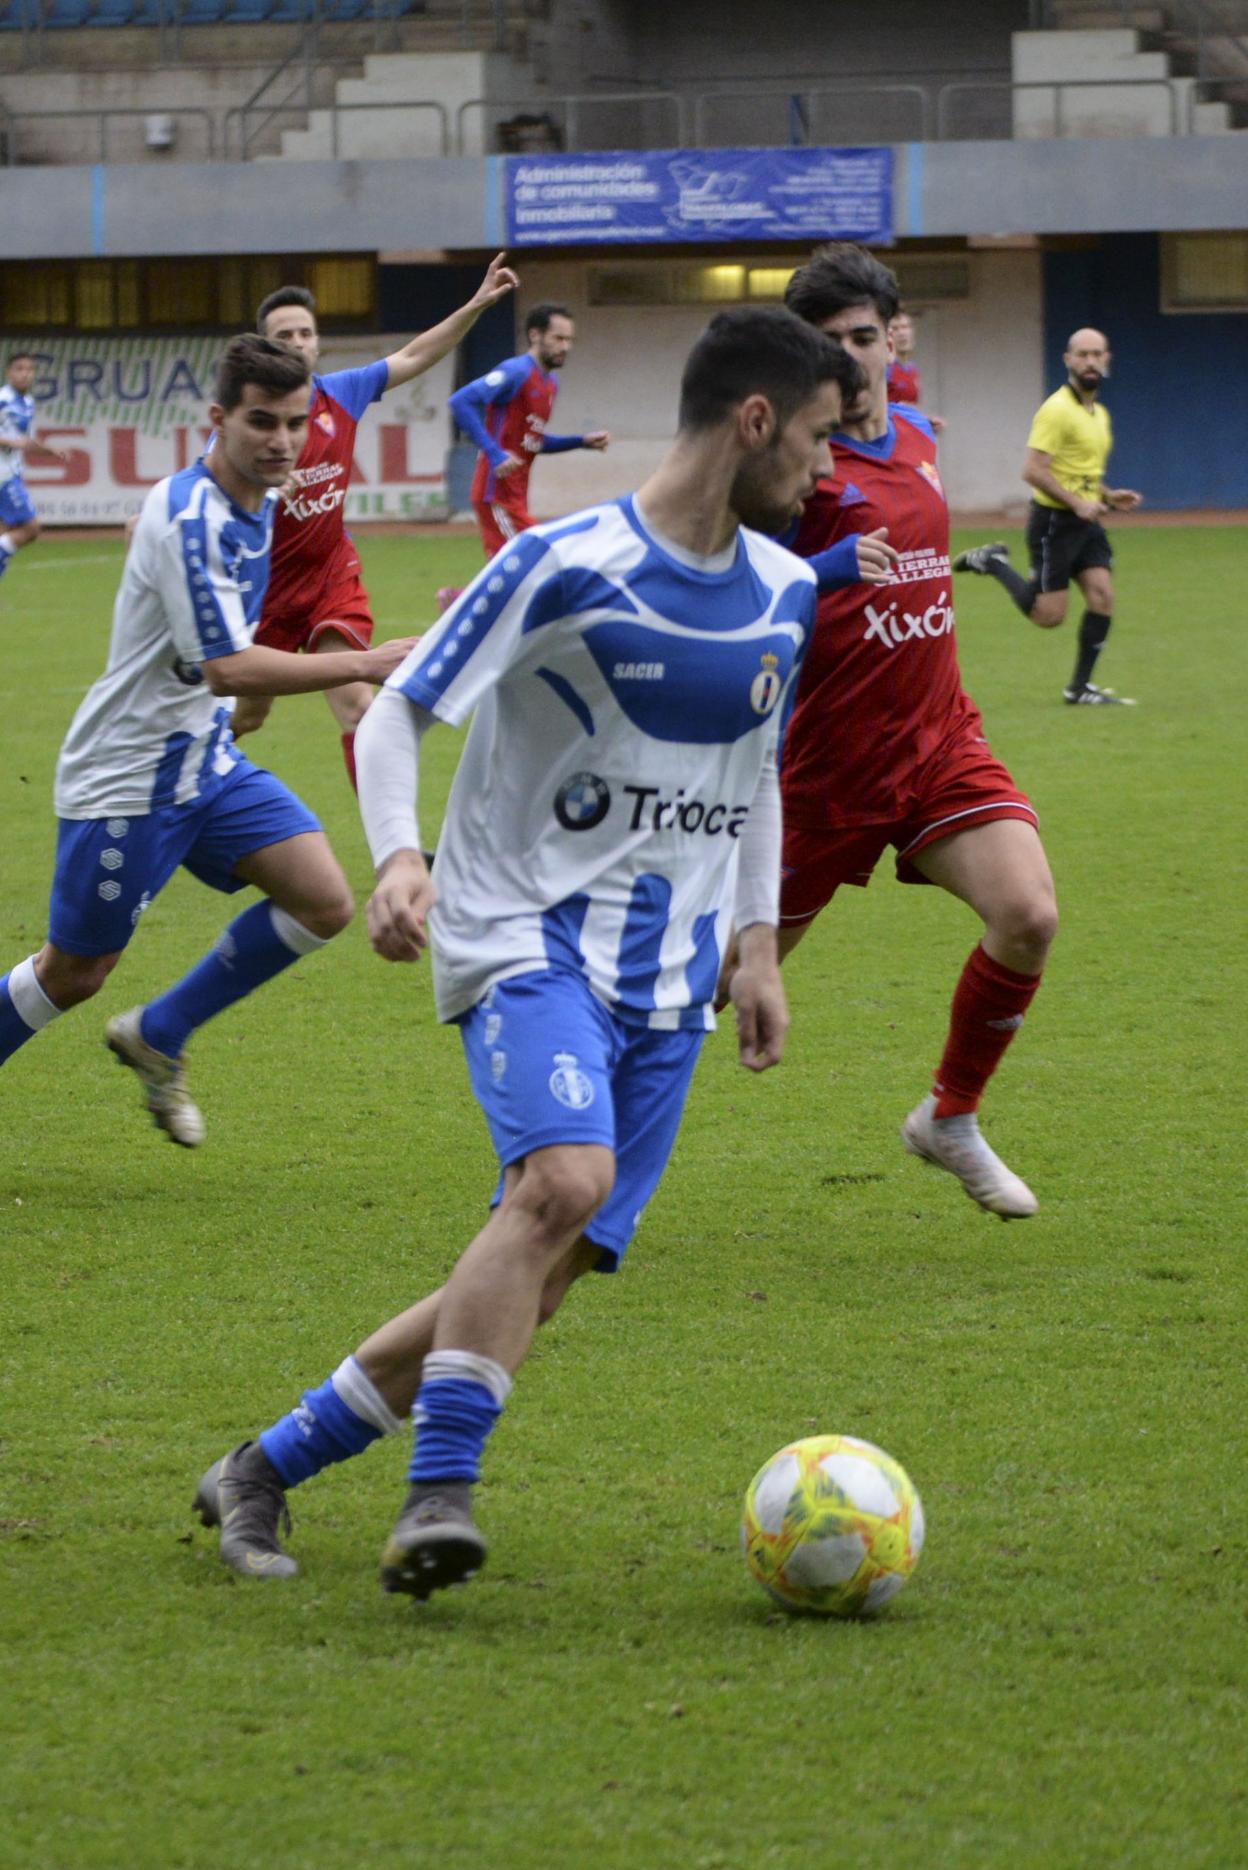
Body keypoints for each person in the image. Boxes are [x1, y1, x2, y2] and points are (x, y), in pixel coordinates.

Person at [191, 306, 860, 1596]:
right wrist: (397, 855)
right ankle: (440, 1493)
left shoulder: (784, 590)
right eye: (822, 441)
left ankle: (262, 1467)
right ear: (757, 422)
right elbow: (396, 713)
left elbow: (758, 773)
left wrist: (761, 941)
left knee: (539, 1271)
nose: (830, 474)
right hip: (521, 935)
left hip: (672, 985)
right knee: (559, 1179)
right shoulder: (564, 562)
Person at [0, 336, 414, 1146]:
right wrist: (368, 660)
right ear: (218, 419)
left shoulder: (250, 492)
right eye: (262, 422)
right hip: (127, 778)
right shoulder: (196, 518)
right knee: (73, 972)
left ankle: (159, 1034)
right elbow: (227, 668)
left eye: (295, 423)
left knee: (324, 901)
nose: (283, 441)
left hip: (203, 761)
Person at [779, 242, 1058, 1219]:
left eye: (864, 336)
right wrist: (822, 569)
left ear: (890, 338)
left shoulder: (915, 432)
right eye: (829, 343)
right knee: (709, 1000)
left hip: (938, 742)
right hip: (821, 772)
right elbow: (723, 590)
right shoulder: (784, 469)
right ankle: (554, 1163)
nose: (850, 358)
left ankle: (949, 1115)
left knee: (1028, 914)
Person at [229, 254, 519, 787]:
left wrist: (476, 305)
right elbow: (211, 496)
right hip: (265, 593)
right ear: (266, 347)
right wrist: (259, 491)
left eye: (305, 332)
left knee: (360, 709)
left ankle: (394, 858)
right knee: (248, 715)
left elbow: (414, 354)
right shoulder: (244, 428)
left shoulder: (342, 392)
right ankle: (179, 766)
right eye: (283, 334)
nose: (297, 341)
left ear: (317, 342)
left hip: (328, 578)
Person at [952, 327, 1142, 706]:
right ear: (1068, 360)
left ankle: (1079, 689)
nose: (1090, 361)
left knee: (1102, 595)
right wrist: (1076, 502)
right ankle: (992, 562)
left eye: (1097, 354)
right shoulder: (1056, 410)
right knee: (1048, 615)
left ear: (1107, 360)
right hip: (1055, 522)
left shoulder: (1098, 414)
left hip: (1085, 520)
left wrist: (1106, 494)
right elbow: (1034, 471)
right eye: (1082, 354)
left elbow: (1079, 469)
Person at [440, 302, 610, 603]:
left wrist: (581, 441)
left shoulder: (550, 384)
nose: (566, 347)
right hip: (497, 495)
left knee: (514, 575)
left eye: (570, 340)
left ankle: (458, 601)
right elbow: (461, 401)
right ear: (535, 335)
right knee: (538, 562)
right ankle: (463, 606)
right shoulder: (515, 372)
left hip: (514, 496)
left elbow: (533, 442)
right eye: (558, 338)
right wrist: (495, 454)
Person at [0, 351, 71, 584]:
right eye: (19, 369)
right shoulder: (3, 399)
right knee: (31, 528)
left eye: (29, 369)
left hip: (12, 472)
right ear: (9, 373)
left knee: (6, 530)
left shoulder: (28, 403)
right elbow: (15, 440)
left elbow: (26, 440)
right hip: (3, 476)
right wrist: (12, 442)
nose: (25, 374)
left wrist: (50, 450)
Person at [886, 312, 944, 433]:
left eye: (905, 327)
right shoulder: (884, 367)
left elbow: (910, 411)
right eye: (895, 328)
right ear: (888, 336)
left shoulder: (912, 369)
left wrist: (926, 422)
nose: (902, 333)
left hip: (908, 438)